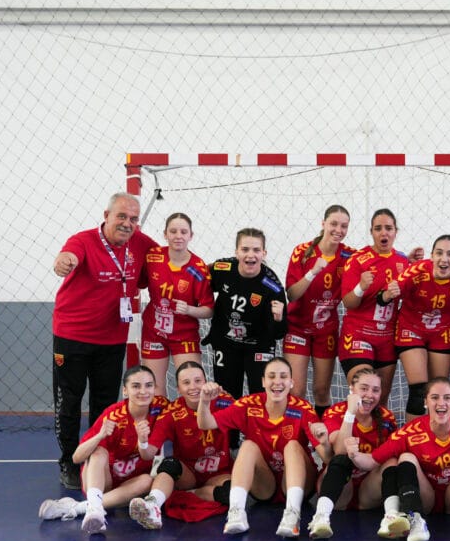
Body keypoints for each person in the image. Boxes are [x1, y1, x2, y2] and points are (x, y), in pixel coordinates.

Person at [51, 193, 158, 489]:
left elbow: (166, 262)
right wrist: (64, 262)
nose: (127, 224)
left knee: (105, 403)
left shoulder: (141, 244)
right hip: (72, 336)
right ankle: (69, 461)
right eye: (121, 216)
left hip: (112, 338)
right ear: (106, 215)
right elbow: (68, 256)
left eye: (133, 219)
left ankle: (97, 456)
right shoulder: (83, 240)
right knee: (69, 401)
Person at [347, 378, 450, 541]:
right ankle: (415, 519)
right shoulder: (410, 431)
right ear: (425, 402)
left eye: (447, 398)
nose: (441, 403)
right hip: (426, 498)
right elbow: (371, 461)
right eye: (434, 397)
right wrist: (354, 454)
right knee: (406, 457)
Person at [196, 357, 323, 538]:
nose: (277, 382)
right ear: (263, 381)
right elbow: (205, 423)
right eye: (271, 376)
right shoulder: (249, 404)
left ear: (291, 382)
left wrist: (324, 440)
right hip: (264, 485)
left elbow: (326, 456)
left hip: (299, 484)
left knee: (292, 446)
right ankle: (236, 512)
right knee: (247, 445)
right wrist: (204, 401)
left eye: (283, 376)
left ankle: (293, 515)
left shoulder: (303, 408)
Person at [38, 365, 168, 534]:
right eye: (136, 386)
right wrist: (99, 436)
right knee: (98, 451)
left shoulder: (161, 409)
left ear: (155, 388)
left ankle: (78, 508)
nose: (143, 391)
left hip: (129, 484)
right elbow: (76, 458)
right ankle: (94, 507)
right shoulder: (114, 415)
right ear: (125, 390)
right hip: (101, 480)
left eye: (148, 385)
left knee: (147, 481)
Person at [127, 361, 233, 530]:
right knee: (169, 464)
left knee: (231, 493)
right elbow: (148, 454)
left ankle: (193, 494)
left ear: (206, 382)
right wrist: (143, 440)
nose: (193, 387)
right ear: (178, 388)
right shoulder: (172, 412)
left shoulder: (223, 402)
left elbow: (248, 421)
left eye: (198, 381)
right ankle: (152, 505)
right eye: (186, 383)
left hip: (218, 473)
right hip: (187, 475)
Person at [380, 234, 450, 421]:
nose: (444, 259)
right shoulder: (417, 270)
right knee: (419, 390)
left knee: (439, 390)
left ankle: (436, 433)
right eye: (439, 253)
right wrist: (388, 294)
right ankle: (412, 435)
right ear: (431, 256)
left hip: (441, 331)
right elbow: (382, 298)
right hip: (411, 328)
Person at [306, 367, 400, 539]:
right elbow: (339, 452)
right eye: (364, 388)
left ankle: (391, 517)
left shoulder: (387, 417)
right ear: (352, 389)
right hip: (339, 490)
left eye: (375, 390)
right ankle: (321, 517)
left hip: (368, 492)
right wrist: (350, 413)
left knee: (392, 461)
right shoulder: (335, 411)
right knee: (342, 459)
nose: (369, 395)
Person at [284, 205, 355, 418]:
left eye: (344, 226)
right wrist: (312, 273)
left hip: (326, 330)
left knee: (322, 391)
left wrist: (405, 259)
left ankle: (322, 435)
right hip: (298, 328)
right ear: (323, 224)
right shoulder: (302, 252)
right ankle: (296, 433)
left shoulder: (349, 255)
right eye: (333, 224)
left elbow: (377, 261)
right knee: (296, 391)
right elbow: (292, 294)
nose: (338, 230)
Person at [203, 228, 288, 400]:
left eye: (256, 250)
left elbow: (279, 334)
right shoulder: (222, 268)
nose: (250, 255)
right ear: (236, 252)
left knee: (260, 396)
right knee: (226, 396)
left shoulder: (272, 286)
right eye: (245, 249)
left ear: (264, 253)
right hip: (226, 343)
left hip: (259, 346)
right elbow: (198, 280)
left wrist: (278, 318)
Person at [339, 209, 411, 406]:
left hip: (387, 339)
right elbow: (348, 302)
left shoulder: (403, 261)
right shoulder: (358, 259)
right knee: (362, 397)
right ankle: (348, 426)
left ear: (396, 232)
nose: (383, 233)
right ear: (371, 232)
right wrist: (361, 287)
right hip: (358, 334)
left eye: (388, 228)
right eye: (378, 228)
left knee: (379, 402)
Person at [139, 213, 214, 397]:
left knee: (192, 388)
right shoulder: (153, 257)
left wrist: (189, 309)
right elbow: (138, 281)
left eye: (183, 232)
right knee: (154, 388)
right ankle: (159, 417)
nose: (178, 236)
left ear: (191, 235)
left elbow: (209, 310)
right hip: (154, 331)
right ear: (165, 234)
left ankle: (191, 417)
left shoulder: (198, 268)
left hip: (184, 334)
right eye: (173, 231)